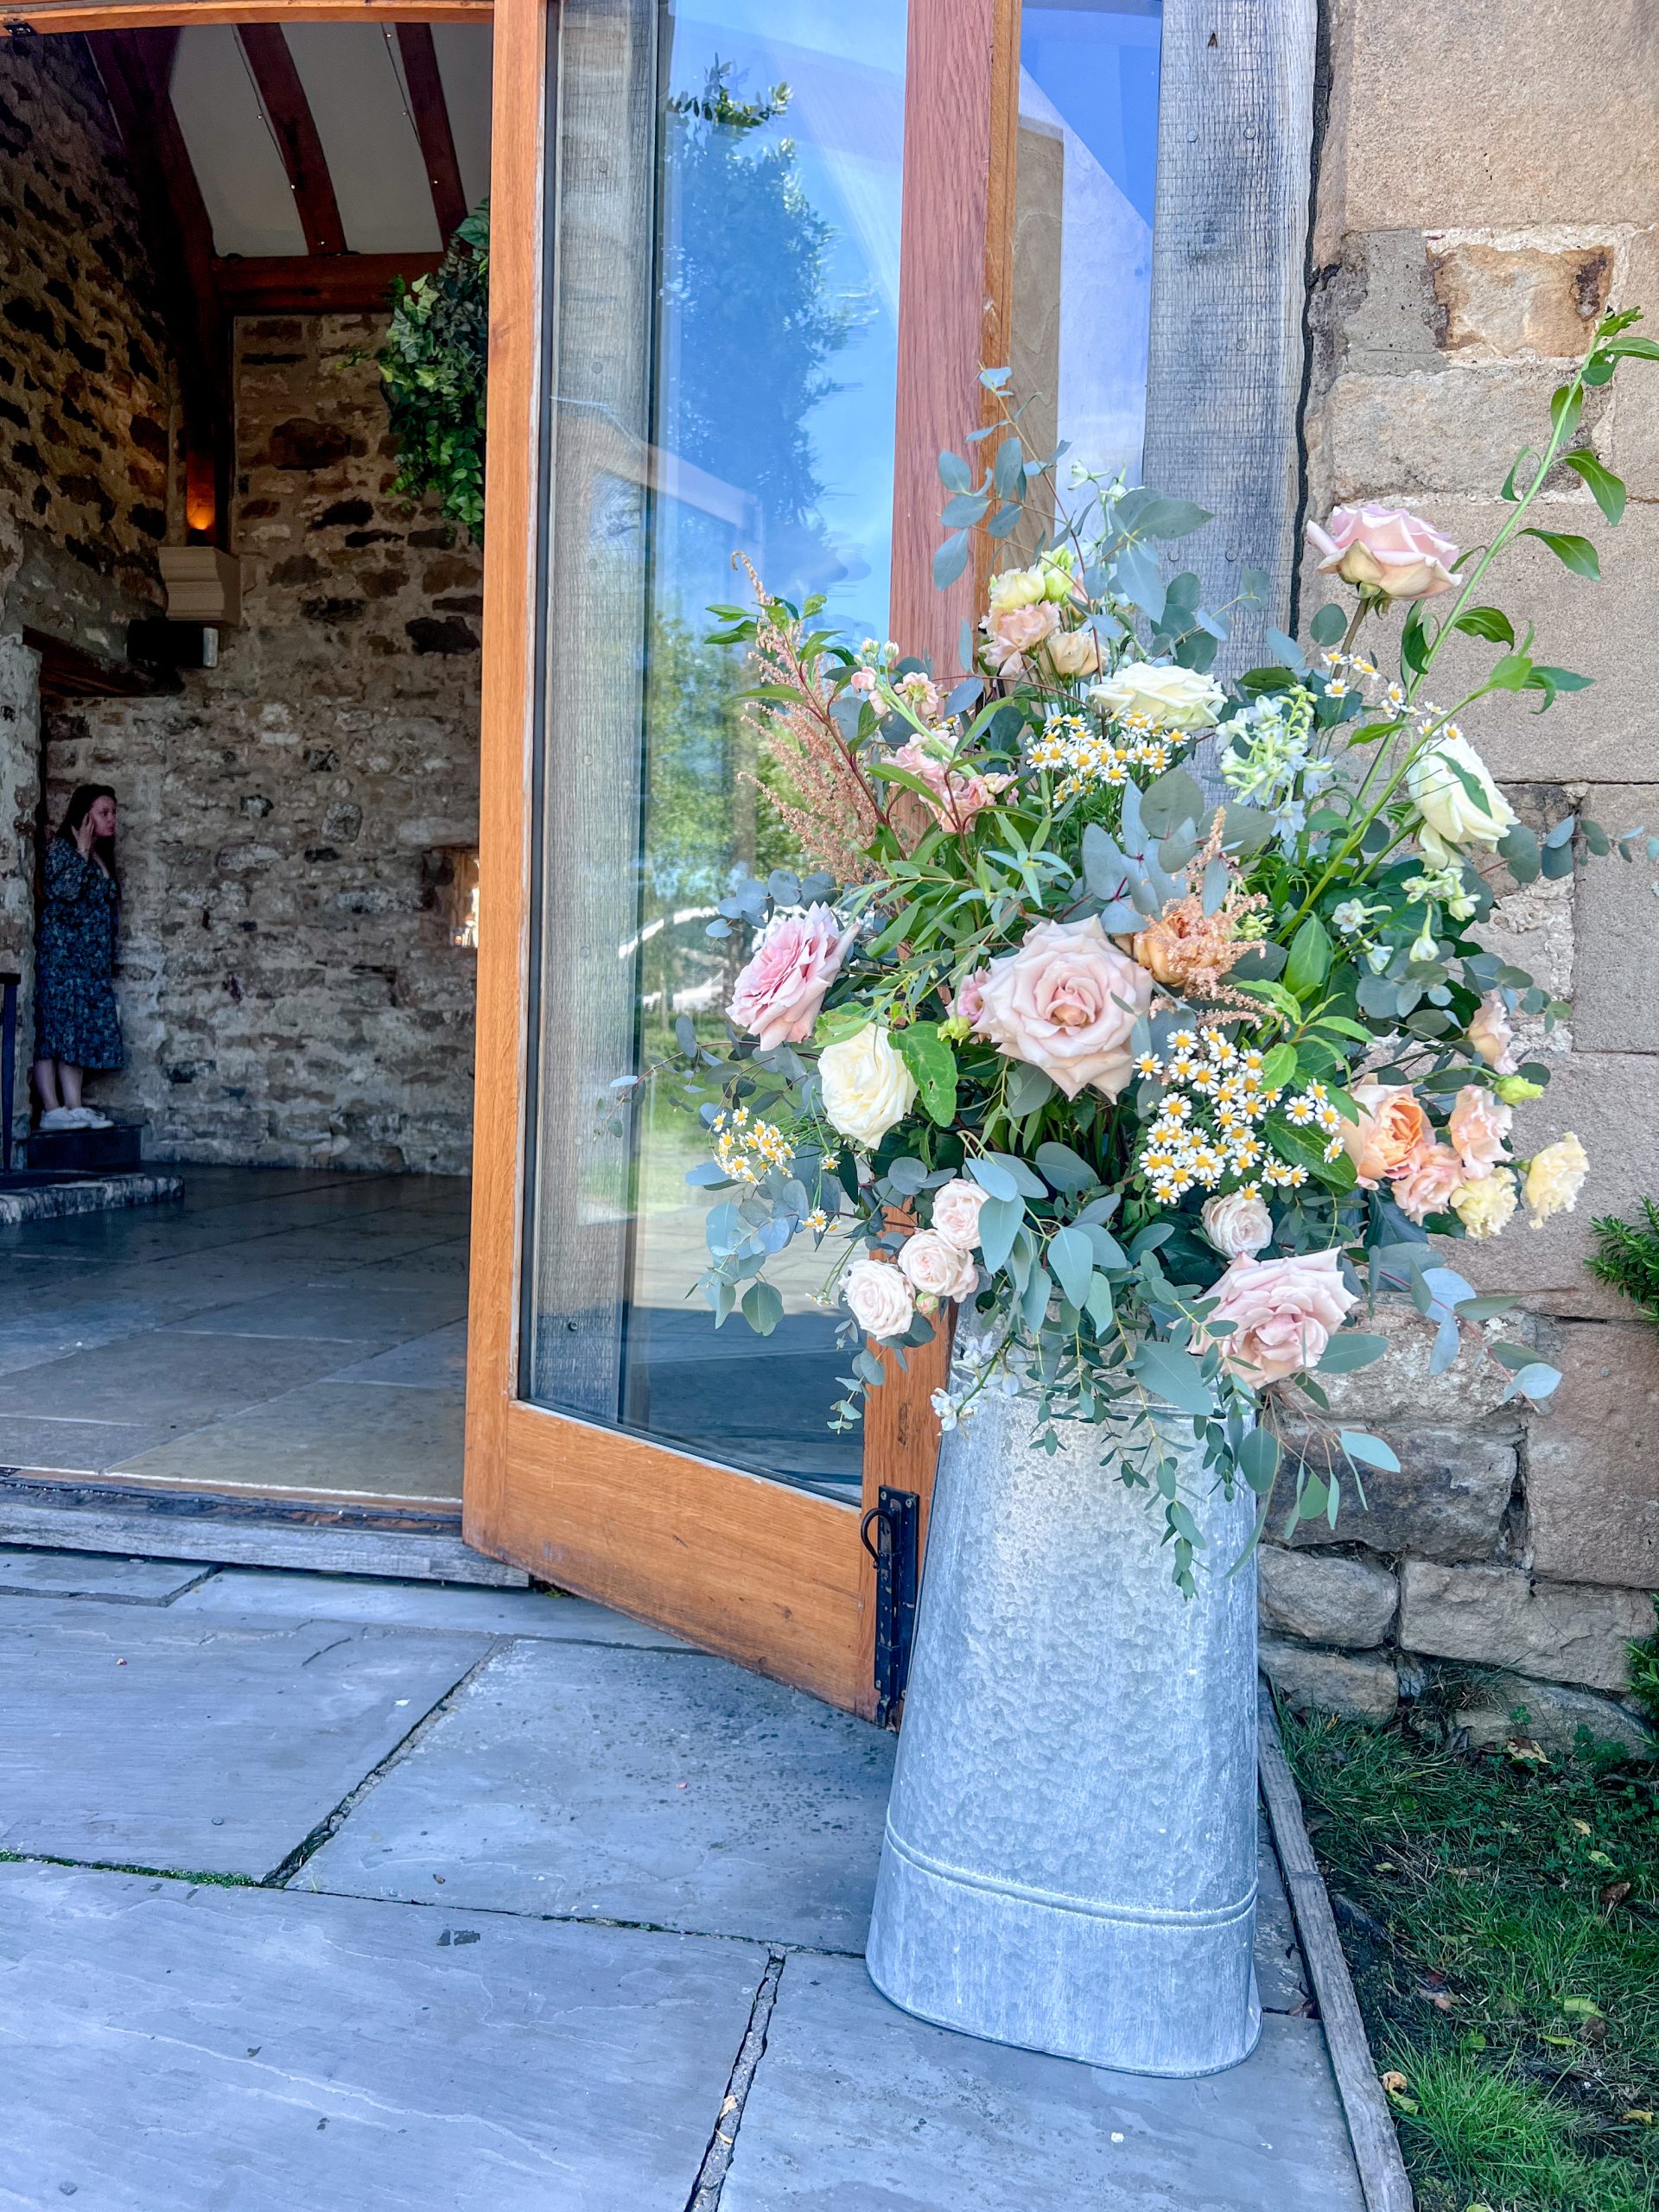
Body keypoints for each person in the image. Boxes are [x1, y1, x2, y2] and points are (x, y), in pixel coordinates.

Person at [32, 784, 123, 1132]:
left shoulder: (101, 854)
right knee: (53, 1029)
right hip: (62, 956)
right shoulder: (63, 849)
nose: (112, 819)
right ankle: (51, 1108)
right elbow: (62, 894)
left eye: (113, 812)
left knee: (77, 1031)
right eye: (104, 813)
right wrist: (82, 852)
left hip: (88, 961)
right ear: (85, 816)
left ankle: (73, 1105)